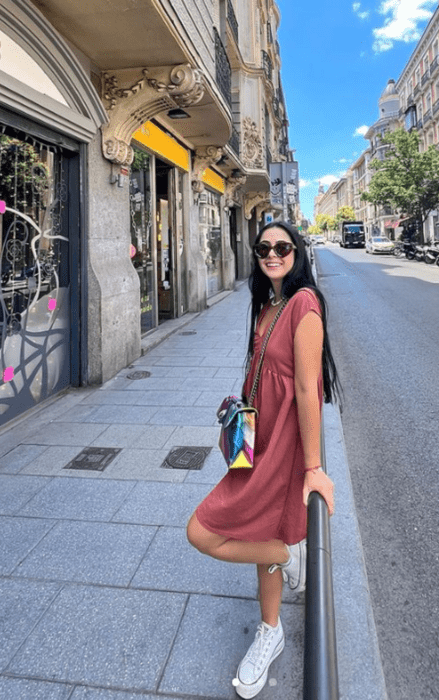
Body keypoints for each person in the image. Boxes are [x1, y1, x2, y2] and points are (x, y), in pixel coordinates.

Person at [187, 220, 340, 698]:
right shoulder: (268, 305)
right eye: (263, 248)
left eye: (282, 247)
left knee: (202, 531)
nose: (272, 254)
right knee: (256, 531)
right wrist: (239, 434)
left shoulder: (304, 306)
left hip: (285, 450)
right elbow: (259, 377)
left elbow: (307, 392)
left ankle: (288, 557)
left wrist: (313, 468)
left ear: (298, 252)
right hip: (257, 442)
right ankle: (270, 630)